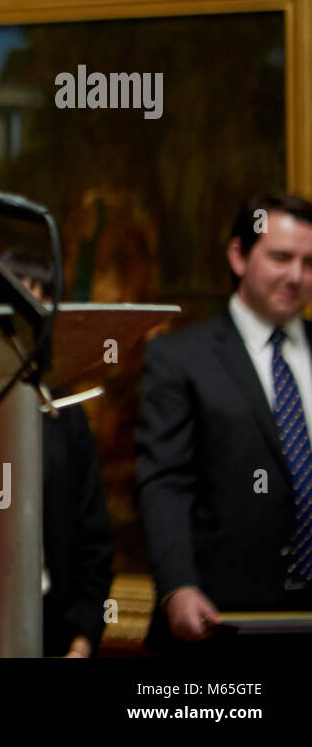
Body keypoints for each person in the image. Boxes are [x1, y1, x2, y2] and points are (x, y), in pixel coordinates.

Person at [136, 192, 312, 655]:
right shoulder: (180, 358)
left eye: (309, 263)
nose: (296, 276)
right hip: (220, 625)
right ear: (238, 255)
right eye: (281, 257)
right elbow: (165, 482)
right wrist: (177, 586)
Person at [0, 250, 114, 657]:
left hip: (54, 632)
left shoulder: (64, 413)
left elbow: (94, 535)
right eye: (9, 312)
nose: (19, 331)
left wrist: (83, 637)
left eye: (33, 313)